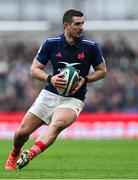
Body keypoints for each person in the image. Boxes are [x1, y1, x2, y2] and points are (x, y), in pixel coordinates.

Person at [5, 9, 107, 170]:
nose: (81, 27)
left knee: (57, 124)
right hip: (50, 93)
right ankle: (14, 153)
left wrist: (85, 79)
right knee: (21, 132)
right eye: (77, 24)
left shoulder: (91, 47)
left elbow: (102, 71)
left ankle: (30, 153)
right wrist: (50, 78)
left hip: (74, 98)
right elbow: (34, 69)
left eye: (82, 23)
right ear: (66, 25)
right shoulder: (51, 43)